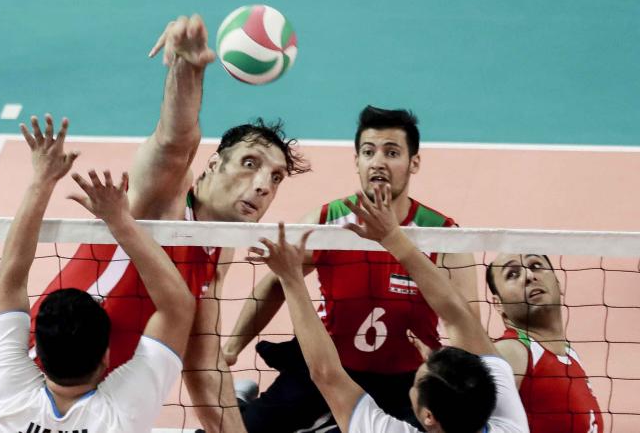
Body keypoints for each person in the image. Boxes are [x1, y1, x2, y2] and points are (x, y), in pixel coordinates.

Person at [0, 15, 309, 433]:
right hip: (21, 395)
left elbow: (202, 364)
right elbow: (173, 141)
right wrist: (187, 70)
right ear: (213, 164)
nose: (261, 186)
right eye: (250, 165)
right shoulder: (161, 201)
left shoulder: (217, 249)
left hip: (98, 409)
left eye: (275, 178)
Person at [223, 106, 477, 431]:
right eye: (368, 152)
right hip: (327, 367)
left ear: (414, 162)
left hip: (409, 381)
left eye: (392, 152)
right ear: (356, 161)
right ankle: (243, 402)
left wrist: (444, 368)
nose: (378, 162)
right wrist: (231, 348)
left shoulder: (442, 235)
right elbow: (277, 282)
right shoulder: (327, 222)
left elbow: (468, 324)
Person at [249, 186, 529, 433]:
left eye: (417, 382)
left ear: (427, 416)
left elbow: (326, 373)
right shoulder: (509, 422)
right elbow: (459, 318)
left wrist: (291, 278)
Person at [0, 114, 195, 432]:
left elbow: (9, 279)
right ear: (106, 359)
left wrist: (42, 179)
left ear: (37, 351)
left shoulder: (7, 399)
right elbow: (178, 307)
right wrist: (119, 220)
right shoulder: (120, 416)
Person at [487, 254, 604, 432]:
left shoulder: (569, 355)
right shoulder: (512, 352)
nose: (528, 275)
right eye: (512, 274)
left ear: (557, 283)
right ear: (498, 304)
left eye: (535, 265)